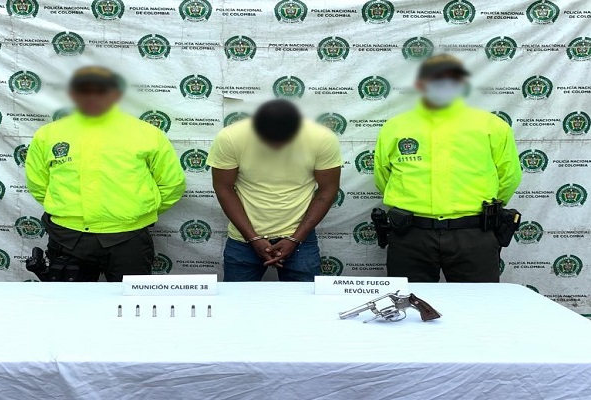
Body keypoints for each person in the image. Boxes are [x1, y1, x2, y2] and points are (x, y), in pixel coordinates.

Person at [25, 66, 186, 282]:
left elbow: (172, 183)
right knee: (69, 302)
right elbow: (38, 184)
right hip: (68, 237)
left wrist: (137, 212)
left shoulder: (147, 134)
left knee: (131, 301)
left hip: (129, 238)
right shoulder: (48, 135)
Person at [373, 54, 522, 283]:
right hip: (411, 236)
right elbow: (383, 177)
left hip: (473, 234)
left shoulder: (492, 126)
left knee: (479, 302)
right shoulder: (395, 127)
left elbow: (509, 177)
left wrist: (480, 208)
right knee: (409, 302)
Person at [207, 100, 342, 282]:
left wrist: (295, 239)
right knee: (237, 299)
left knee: (304, 299)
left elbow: (328, 189)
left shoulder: (321, 138)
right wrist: (252, 238)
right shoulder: (231, 137)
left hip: (300, 240)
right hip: (243, 240)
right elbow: (223, 187)